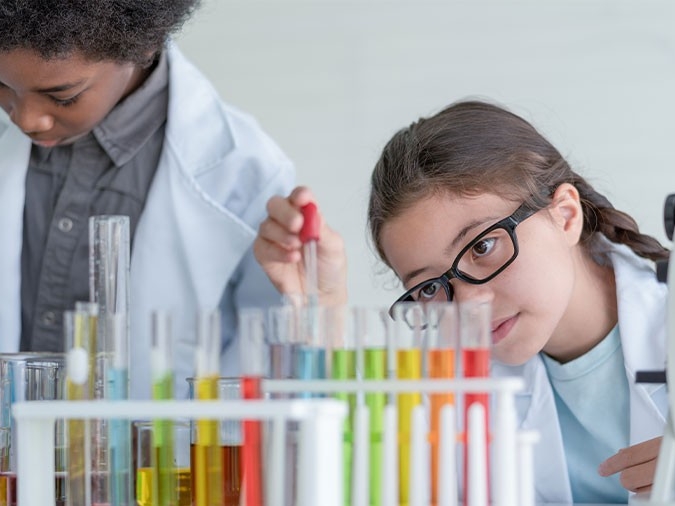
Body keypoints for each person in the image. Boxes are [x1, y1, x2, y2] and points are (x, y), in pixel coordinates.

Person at [254, 99, 670, 503]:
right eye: (431, 288)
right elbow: (347, 481)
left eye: (483, 246)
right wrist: (322, 308)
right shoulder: (452, 380)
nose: (469, 303)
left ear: (564, 214)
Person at [0, 0, 294, 399]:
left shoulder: (246, 172)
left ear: (142, 44)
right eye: (3, 86)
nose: (27, 119)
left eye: (63, 96)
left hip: (158, 458)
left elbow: (266, 365)